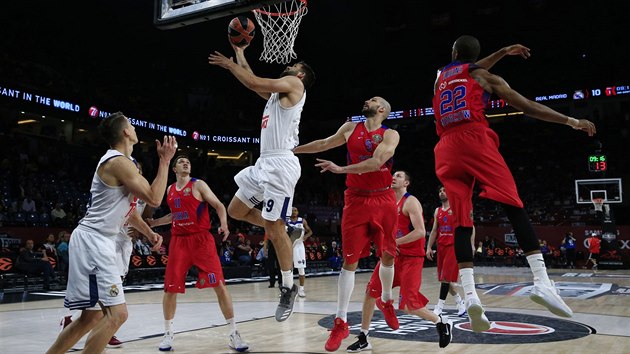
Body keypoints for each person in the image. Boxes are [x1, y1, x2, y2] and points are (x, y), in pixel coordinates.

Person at [431, 36, 596, 332]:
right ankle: (542, 281)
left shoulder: (440, 77)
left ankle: (470, 296)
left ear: (454, 53)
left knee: (461, 222)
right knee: (513, 205)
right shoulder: (485, 76)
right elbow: (529, 107)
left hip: (444, 149)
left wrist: (503, 52)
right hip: (473, 139)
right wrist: (572, 121)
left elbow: (464, 69)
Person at [46, 112, 176, 354]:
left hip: (98, 240)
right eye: (131, 124)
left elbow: (130, 212)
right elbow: (155, 198)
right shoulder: (118, 162)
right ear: (125, 132)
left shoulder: (126, 163)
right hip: (94, 241)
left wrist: (148, 233)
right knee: (118, 315)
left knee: (91, 318)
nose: (134, 126)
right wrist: (166, 161)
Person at [208, 42, 315, 322]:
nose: (291, 66)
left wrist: (229, 64)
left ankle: (288, 287)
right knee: (235, 211)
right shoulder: (276, 96)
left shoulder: (294, 84)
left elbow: (254, 80)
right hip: (264, 161)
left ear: (300, 75)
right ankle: (284, 229)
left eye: (296, 65)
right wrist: (241, 54)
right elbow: (253, 84)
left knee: (271, 226)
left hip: (280, 164)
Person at [293, 96, 400, 351]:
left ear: (382, 109)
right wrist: (293, 150)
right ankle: (341, 321)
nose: (367, 100)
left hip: (384, 198)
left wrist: (339, 169)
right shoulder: (351, 127)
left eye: (373, 99)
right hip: (355, 200)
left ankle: (386, 300)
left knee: (387, 256)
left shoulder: (390, 134)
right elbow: (325, 143)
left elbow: (377, 162)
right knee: (349, 262)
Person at [147, 155, 249, 352]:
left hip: (202, 240)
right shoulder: (169, 190)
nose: (186, 163)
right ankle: (168, 333)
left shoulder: (199, 184)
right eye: (181, 162)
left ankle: (233, 333)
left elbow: (219, 205)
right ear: (174, 169)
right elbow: (174, 215)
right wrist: (156, 223)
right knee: (170, 289)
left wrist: (224, 224)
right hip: (179, 242)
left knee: (219, 284)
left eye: (188, 161)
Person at [346, 171, 453, 352]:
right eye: (393, 176)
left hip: (411, 258)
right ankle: (364, 337)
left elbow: (420, 231)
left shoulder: (411, 202)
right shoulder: (385, 201)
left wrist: (394, 242)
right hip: (391, 257)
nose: (394, 178)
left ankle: (442, 321)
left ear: (406, 183)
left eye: (399, 176)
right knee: (370, 292)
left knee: (409, 306)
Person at [425, 186, 472, 317]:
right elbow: (434, 231)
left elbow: (470, 226)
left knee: (445, 278)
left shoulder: (456, 209)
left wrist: (471, 245)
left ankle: (439, 307)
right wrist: (429, 247)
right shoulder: (437, 211)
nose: (441, 192)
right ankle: (460, 303)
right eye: (440, 191)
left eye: (444, 190)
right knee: (445, 280)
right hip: (441, 247)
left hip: (453, 246)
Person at [286, 206, 313, 298]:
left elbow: (310, 231)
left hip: (299, 246)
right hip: (288, 245)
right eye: (292, 210)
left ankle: (301, 289)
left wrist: (306, 236)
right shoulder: (286, 221)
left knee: (301, 268)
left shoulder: (302, 221)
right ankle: (288, 289)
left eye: (296, 210)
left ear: (298, 212)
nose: (294, 212)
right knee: (287, 269)